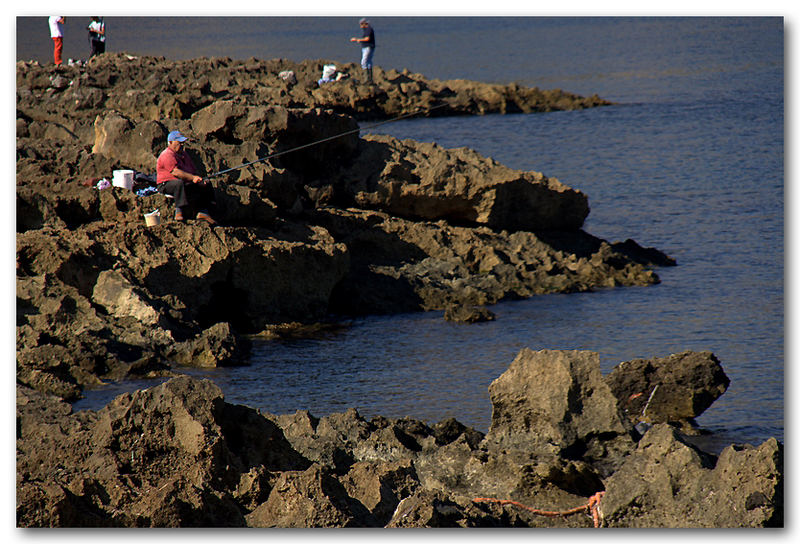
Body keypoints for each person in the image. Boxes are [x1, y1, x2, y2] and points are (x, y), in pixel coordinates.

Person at [156, 130, 217, 224]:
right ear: (171, 142)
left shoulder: (184, 155)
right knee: (179, 183)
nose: (181, 145)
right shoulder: (167, 155)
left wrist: (198, 179)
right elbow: (175, 172)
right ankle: (179, 211)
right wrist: (193, 178)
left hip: (184, 182)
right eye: (179, 143)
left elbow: (193, 170)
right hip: (166, 184)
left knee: (205, 183)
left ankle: (203, 211)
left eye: (182, 143)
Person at [350, 18, 375, 83]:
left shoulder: (368, 29)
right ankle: (370, 79)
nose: (360, 26)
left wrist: (358, 39)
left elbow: (367, 39)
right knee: (368, 62)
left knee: (364, 62)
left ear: (364, 23)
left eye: (361, 24)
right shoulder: (368, 29)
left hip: (368, 47)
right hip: (369, 47)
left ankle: (366, 79)